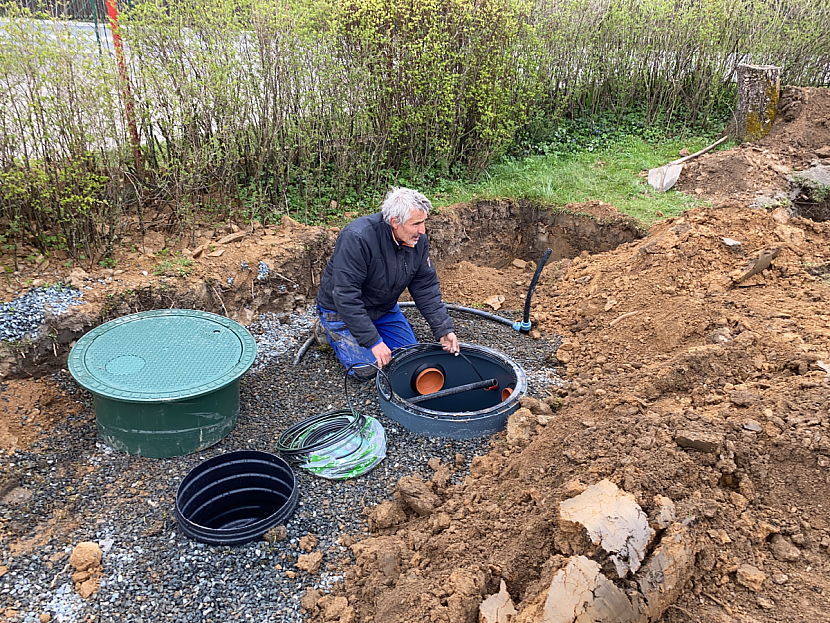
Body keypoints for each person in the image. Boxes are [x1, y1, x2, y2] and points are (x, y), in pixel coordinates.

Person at [315, 187, 459, 379]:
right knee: (368, 369)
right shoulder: (357, 238)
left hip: (383, 308)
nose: (422, 231)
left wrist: (443, 329)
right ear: (394, 222)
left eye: (423, 222)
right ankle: (325, 328)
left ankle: (369, 331)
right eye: (416, 224)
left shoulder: (417, 240)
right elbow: (346, 296)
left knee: (408, 357)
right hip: (340, 311)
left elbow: (425, 286)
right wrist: (374, 342)